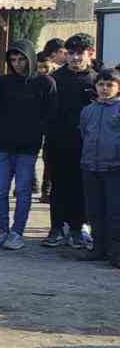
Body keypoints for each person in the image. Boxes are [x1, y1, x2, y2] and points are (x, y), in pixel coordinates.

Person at [0, 40, 57, 250]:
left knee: (23, 191)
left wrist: (39, 136)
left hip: (28, 148)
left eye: (21, 59)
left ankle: (17, 232)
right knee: (0, 190)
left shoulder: (45, 83)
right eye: (13, 60)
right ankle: (2, 230)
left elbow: (50, 115)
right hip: (3, 147)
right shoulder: (3, 82)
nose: (17, 64)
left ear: (30, 59)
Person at [44, 34, 99, 249]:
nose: (75, 58)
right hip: (57, 141)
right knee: (58, 186)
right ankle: (57, 227)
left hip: (86, 145)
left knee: (80, 187)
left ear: (90, 54)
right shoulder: (55, 78)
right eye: (71, 53)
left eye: (80, 53)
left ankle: (77, 228)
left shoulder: (96, 80)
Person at [76, 70, 120, 268]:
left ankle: (115, 251)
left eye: (110, 85)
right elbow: (85, 133)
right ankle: (98, 248)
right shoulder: (88, 110)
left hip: (114, 168)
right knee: (94, 210)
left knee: (114, 211)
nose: (104, 89)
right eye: (101, 84)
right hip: (90, 166)